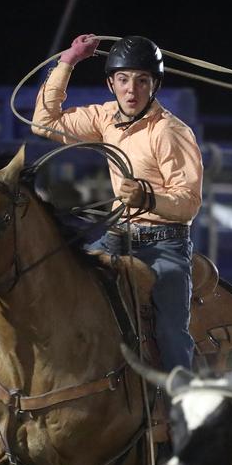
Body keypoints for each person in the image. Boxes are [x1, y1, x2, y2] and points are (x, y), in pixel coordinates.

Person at [32, 34, 204, 373]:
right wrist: (68, 62)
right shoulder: (105, 118)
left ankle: (182, 408)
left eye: (142, 81)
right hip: (117, 236)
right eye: (123, 80)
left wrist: (147, 197)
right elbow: (44, 121)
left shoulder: (170, 131)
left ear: (154, 85)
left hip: (164, 246)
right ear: (111, 83)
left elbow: (188, 204)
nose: (131, 90)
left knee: (171, 331)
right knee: (62, 281)